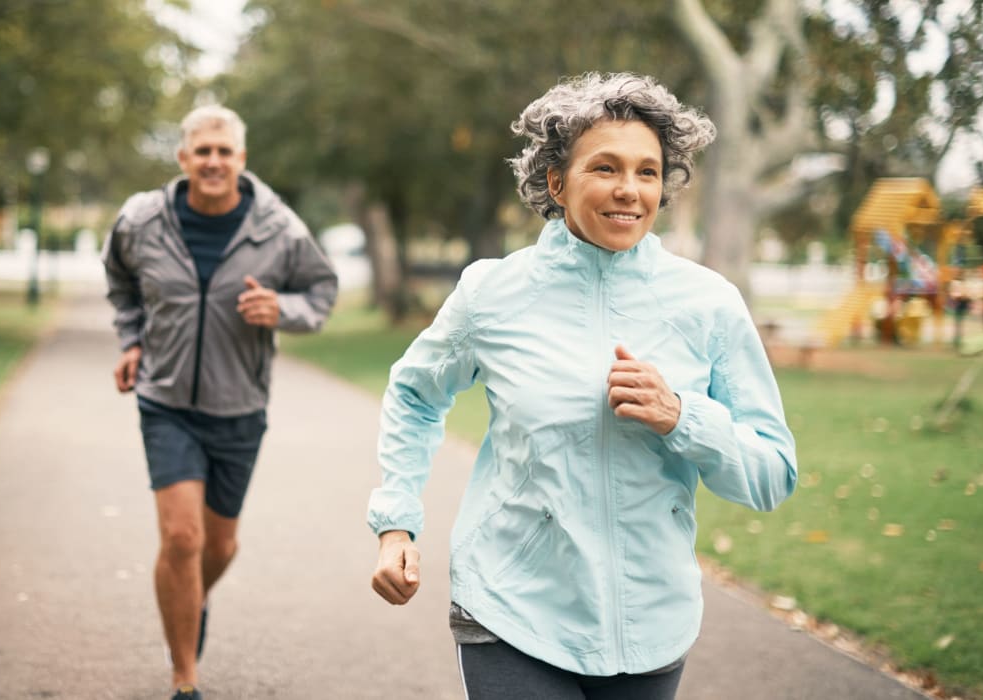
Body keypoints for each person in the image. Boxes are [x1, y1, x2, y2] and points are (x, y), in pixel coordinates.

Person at [367, 72, 797, 700]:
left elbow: (772, 474)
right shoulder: (493, 293)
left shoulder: (709, 303)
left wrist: (682, 417)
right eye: (606, 167)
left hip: (651, 621)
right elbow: (414, 393)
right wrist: (396, 525)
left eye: (648, 172)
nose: (629, 190)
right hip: (511, 607)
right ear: (556, 181)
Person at [104, 104, 337, 700]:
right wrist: (132, 340)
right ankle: (186, 678)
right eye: (202, 151)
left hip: (239, 406)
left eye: (224, 151)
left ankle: (187, 599)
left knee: (220, 544)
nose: (213, 161)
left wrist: (281, 310)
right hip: (166, 400)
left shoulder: (279, 228)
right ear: (183, 158)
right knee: (182, 539)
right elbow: (121, 281)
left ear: (241, 159)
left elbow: (321, 290)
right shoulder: (141, 220)